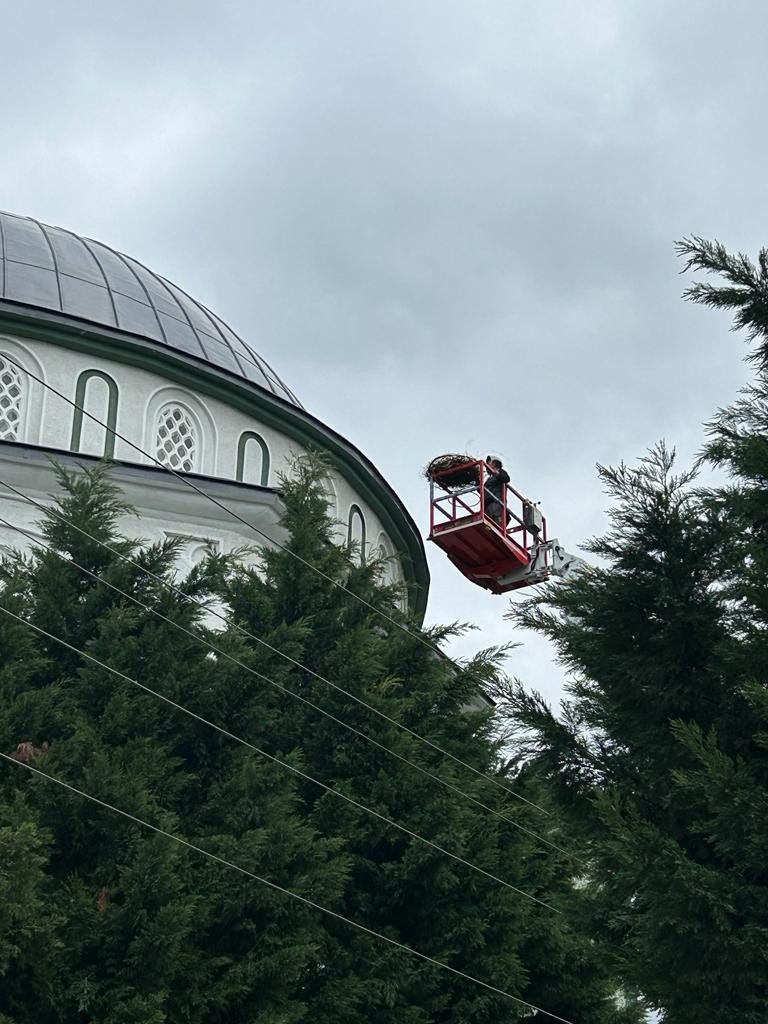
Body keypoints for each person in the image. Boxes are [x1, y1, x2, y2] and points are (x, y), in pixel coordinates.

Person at [483, 456, 510, 525]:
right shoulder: (490, 479)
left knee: (496, 526)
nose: (487, 465)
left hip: (496, 504)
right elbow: (483, 491)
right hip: (487, 506)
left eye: (489, 462)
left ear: (494, 463)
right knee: (487, 527)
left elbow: (506, 478)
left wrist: (498, 474)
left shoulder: (500, 472)